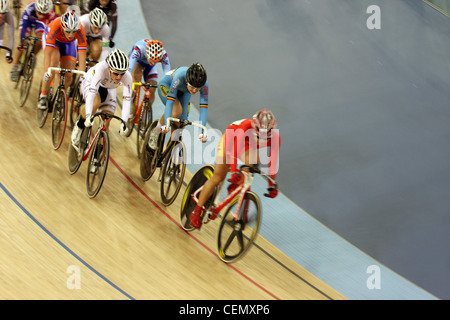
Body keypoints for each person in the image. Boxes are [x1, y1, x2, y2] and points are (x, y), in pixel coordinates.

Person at [189, 109, 280, 229]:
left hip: (247, 146)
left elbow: (272, 164)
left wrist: (271, 184)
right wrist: (234, 171)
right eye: (259, 136)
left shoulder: (276, 138)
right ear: (254, 128)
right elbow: (233, 153)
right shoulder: (245, 127)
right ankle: (196, 211)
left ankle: (237, 186)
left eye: (266, 138)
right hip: (231, 141)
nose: (262, 141)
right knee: (218, 176)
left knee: (255, 162)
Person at [71, 48, 133, 151]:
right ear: (109, 68)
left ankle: (96, 157)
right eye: (116, 73)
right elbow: (92, 93)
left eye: (122, 74)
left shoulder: (127, 77)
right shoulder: (101, 69)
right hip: (91, 83)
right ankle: (79, 126)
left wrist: (124, 122)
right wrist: (87, 116)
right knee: (96, 102)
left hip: (109, 89)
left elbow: (127, 100)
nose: (118, 77)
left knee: (106, 121)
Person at [148, 63, 209, 149]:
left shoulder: (204, 85)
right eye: (192, 87)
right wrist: (166, 124)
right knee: (176, 111)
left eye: (197, 88)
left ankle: (168, 153)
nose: (194, 90)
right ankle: (155, 132)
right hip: (167, 86)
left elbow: (204, 109)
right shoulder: (179, 76)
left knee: (181, 124)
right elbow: (170, 102)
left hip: (184, 93)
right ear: (187, 81)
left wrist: (201, 132)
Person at [37, 9, 87, 110]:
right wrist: (47, 71)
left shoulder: (80, 30)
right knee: (53, 64)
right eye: (68, 31)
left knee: (69, 75)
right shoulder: (55, 26)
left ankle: (60, 97)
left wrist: (82, 75)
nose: (71, 35)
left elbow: (82, 53)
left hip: (69, 44)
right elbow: (47, 53)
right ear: (63, 27)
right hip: (53, 41)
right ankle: (43, 95)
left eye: (74, 32)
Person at [10, 0, 56, 81]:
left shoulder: (51, 13)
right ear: (36, 8)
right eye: (39, 12)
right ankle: (15, 66)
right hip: (28, 21)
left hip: (40, 23)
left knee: (40, 39)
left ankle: (32, 55)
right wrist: (23, 40)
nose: (41, 15)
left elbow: (51, 30)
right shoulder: (30, 8)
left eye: (44, 14)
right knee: (24, 41)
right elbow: (24, 26)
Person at [128, 39, 170, 108]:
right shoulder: (139, 49)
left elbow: (167, 74)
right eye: (152, 60)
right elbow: (129, 69)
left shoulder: (163, 55)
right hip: (138, 60)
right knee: (136, 78)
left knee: (152, 88)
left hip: (149, 65)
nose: (153, 63)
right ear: (147, 54)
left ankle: (145, 110)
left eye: (155, 61)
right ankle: (131, 103)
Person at [0, 0, 14, 64]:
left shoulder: (9, 15)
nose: (1, 15)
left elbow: (11, 37)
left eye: (3, 13)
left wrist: (8, 54)